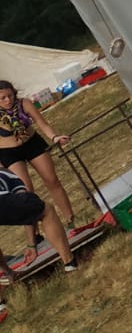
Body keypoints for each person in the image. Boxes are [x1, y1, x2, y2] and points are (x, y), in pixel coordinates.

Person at [0, 81, 77, 251]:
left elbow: (42, 123)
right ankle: (34, 236)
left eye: (10, 96)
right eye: (3, 98)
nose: (7, 100)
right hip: (8, 152)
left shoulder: (24, 104)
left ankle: (71, 220)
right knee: (25, 192)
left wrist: (54, 137)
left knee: (52, 180)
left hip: (32, 143)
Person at [0, 165, 75, 320]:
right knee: (45, 210)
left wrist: (7, 270)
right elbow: (29, 212)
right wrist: (31, 244)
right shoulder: (9, 175)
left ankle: (1, 303)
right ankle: (70, 264)